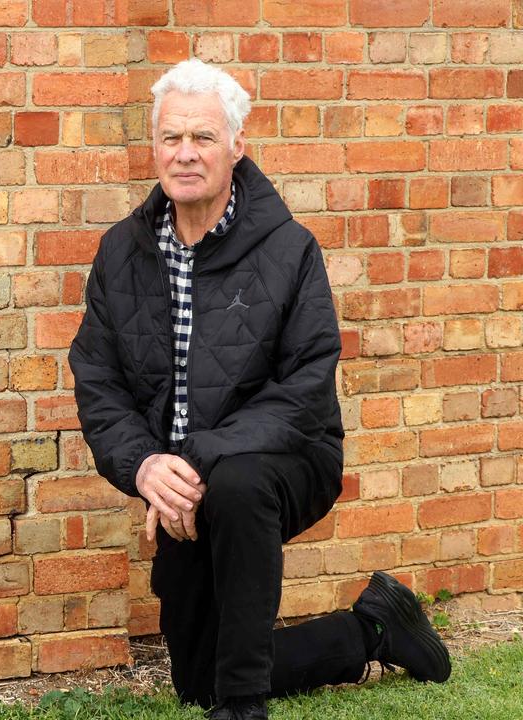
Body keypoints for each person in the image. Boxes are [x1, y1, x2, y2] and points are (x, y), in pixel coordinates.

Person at [68, 60, 450, 720]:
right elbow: (98, 383)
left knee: (240, 483)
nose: (185, 154)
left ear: (236, 145)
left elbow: (304, 388)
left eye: (203, 138)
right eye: (171, 138)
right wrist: (147, 464)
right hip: (185, 480)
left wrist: (198, 458)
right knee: (196, 677)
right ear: (154, 144)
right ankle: (373, 629)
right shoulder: (121, 254)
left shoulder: (289, 250)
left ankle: (243, 708)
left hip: (290, 460)